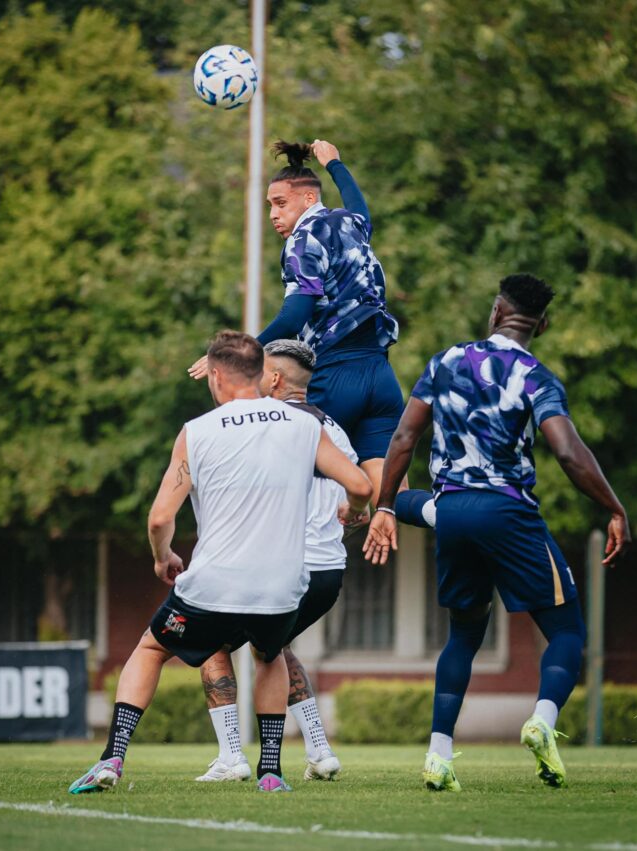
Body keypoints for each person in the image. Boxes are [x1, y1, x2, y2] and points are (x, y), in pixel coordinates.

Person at [68, 331, 372, 795]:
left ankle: (112, 759)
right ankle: (270, 772)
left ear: (215, 377)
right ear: (261, 374)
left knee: (151, 649)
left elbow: (160, 518)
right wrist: (355, 507)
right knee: (270, 653)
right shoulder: (304, 426)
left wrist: (163, 557)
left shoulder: (198, 431)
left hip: (216, 581)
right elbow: (362, 485)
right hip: (283, 586)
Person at [364, 274, 630, 791]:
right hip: (508, 512)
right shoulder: (537, 377)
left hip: (452, 510)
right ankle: (542, 721)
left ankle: (438, 756)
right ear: (541, 325)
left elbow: (403, 437)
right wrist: (613, 507)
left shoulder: (444, 362)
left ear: (495, 312)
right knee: (568, 632)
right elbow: (569, 453)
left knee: (464, 634)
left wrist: (386, 505)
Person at [189, 140, 404, 503]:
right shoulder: (349, 223)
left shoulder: (303, 240)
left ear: (308, 199)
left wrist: (237, 353)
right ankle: (439, 514)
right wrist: (335, 164)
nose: (273, 214)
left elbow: (295, 315)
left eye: (281, 203)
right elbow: (361, 209)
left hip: (336, 373)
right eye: (270, 206)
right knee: (390, 498)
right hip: (380, 374)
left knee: (293, 484)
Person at [195, 340, 361, 784]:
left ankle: (232, 755)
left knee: (211, 643)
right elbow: (355, 497)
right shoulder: (335, 430)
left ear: (273, 379)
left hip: (278, 564)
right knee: (274, 648)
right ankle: (320, 751)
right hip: (329, 572)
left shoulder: (268, 425)